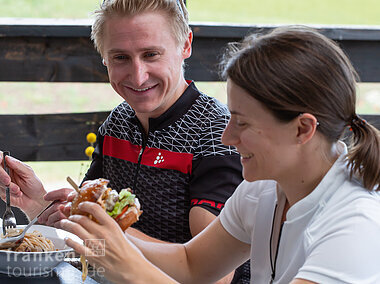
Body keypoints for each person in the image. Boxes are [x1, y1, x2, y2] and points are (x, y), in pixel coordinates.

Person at [60, 25, 380, 284]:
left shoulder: (356, 227)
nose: (227, 137)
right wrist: (101, 235)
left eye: (242, 122)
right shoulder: (263, 189)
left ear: (302, 129)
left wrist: (131, 270)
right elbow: (192, 265)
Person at [0, 0, 248, 283]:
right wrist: (35, 204)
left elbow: (217, 277)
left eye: (151, 54)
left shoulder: (217, 134)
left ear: (186, 45)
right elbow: (87, 230)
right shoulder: (118, 122)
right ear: (103, 57)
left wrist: (102, 227)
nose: (138, 76)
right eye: (120, 58)